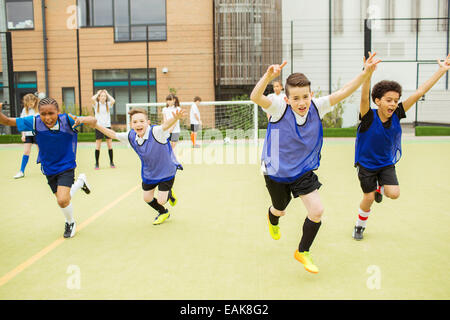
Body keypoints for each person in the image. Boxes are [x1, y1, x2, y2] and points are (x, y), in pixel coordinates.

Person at [250, 53, 380, 274]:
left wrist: (365, 72)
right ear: (287, 99)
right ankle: (273, 216)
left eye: (305, 96)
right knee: (280, 209)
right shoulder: (278, 108)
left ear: (311, 94)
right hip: (276, 171)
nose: (301, 103)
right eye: (296, 98)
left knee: (317, 210)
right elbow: (255, 97)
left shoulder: (317, 106)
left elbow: (344, 91)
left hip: (302, 170)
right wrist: (268, 76)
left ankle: (303, 251)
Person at [352, 53, 450, 240]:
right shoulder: (368, 116)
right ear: (378, 101)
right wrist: (368, 73)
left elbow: (420, 92)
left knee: (394, 194)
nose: (393, 104)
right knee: (369, 198)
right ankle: (359, 226)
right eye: (389, 100)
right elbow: (364, 96)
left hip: (386, 163)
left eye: (396, 100)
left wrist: (441, 71)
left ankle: (380, 187)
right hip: (366, 165)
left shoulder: (397, 114)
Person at [0, 98, 97, 238]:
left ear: (58, 112)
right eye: (43, 114)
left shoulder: (68, 120)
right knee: (64, 200)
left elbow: (93, 121)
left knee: (62, 200)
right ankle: (81, 182)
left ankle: (70, 223)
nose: (47, 117)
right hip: (49, 168)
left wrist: (81, 120)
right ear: (39, 113)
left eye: (51, 113)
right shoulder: (35, 122)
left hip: (66, 165)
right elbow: (7, 121)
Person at [93, 107, 185, 225]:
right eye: (135, 122)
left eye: (142, 121)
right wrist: (96, 126)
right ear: (131, 124)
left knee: (161, 200)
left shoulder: (156, 132)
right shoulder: (131, 136)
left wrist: (175, 118)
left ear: (148, 122)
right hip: (150, 173)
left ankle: (168, 194)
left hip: (166, 171)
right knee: (147, 198)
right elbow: (113, 134)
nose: (138, 124)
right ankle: (163, 212)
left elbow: (165, 125)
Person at [13, 93, 39, 179]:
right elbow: (22, 123)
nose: (31, 105)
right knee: (26, 152)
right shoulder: (25, 110)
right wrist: (23, 135)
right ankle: (21, 171)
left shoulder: (39, 110)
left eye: (32, 103)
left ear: (35, 101)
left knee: (41, 152)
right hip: (28, 135)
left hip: (38, 134)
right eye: (29, 104)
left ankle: (47, 170)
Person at [91, 89, 116, 169]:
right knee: (98, 146)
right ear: (99, 97)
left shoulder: (108, 104)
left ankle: (112, 162)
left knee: (109, 145)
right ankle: (97, 163)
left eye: (104, 96)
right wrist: (98, 93)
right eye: (101, 96)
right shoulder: (96, 104)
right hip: (98, 127)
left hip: (107, 127)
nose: (103, 97)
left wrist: (107, 93)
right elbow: (92, 99)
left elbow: (113, 100)